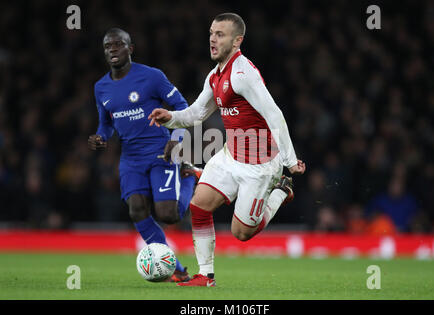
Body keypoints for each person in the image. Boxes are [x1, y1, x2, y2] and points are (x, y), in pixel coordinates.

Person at [149, 13, 306, 287]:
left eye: (220, 34)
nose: (212, 38)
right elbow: (197, 113)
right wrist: (170, 117)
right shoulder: (215, 75)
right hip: (230, 155)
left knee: (241, 233)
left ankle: (280, 192)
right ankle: (206, 275)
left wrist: (290, 161)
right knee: (199, 206)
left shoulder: (243, 74)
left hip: (260, 166)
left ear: (237, 41)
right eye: (211, 32)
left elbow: (274, 115)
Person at [88, 28, 202, 282]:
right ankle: (175, 267)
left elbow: (183, 106)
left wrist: (178, 139)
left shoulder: (152, 76)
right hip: (130, 158)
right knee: (137, 210)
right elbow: (106, 123)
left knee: (168, 215)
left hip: (161, 152)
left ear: (131, 49)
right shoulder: (101, 88)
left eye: (118, 44)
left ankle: (190, 177)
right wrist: (101, 137)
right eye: (108, 46)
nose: (113, 49)